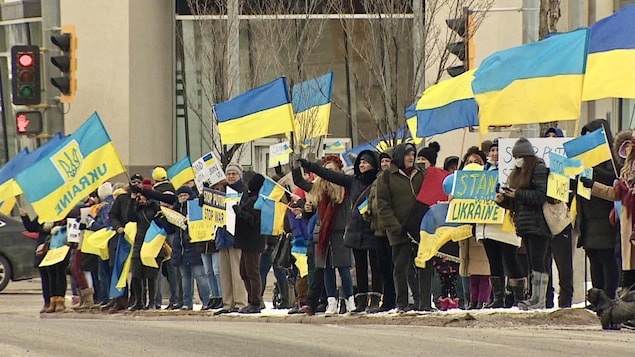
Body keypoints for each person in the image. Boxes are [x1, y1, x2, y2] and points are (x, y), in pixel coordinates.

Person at [298, 150, 380, 313]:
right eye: (361, 162)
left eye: (366, 162)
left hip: (353, 230)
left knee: (348, 268)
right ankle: (336, 301)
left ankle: (356, 299)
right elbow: (307, 183)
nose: (362, 164)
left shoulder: (348, 188)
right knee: (330, 268)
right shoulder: (351, 181)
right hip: (334, 233)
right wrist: (309, 166)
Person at [295, 155, 356, 316]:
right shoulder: (318, 189)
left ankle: (350, 300)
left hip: (339, 233)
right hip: (322, 235)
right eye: (325, 170)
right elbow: (300, 183)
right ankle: (332, 302)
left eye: (331, 170)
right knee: (327, 269)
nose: (327, 174)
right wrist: (296, 167)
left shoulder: (344, 187)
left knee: (343, 268)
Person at [495, 137, 551, 310]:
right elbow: (517, 202)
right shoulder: (518, 173)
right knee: (531, 262)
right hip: (525, 224)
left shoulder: (539, 169)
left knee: (538, 261)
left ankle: (539, 299)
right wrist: (503, 200)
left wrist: (517, 194)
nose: (516, 161)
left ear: (525, 156)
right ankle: (533, 297)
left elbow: (540, 195)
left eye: (518, 156)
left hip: (539, 223)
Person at [376, 143, 433, 313]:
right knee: (400, 267)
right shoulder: (386, 177)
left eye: (413, 154)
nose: (411, 157)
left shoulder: (421, 173)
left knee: (425, 265)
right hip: (399, 230)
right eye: (408, 154)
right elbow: (383, 206)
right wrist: (395, 226)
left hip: (421, 228)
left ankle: (425, 302)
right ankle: (402, 303)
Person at [477, 139, 526, 308]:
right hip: (487, 222)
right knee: (494, 260)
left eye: (498, 150)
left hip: (505, 222)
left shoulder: (512, 172)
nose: (495, 153)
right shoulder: (482, 171)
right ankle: (498, 297)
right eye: (492, 150)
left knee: (511, 259)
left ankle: (519, 297)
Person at [542, 126, 575, 308]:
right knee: (543, 264)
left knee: (564, 265)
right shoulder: (538, 166)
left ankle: (565, 301)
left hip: (561, 220)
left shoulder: (567, 165)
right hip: (542, 222)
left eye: (555, 137)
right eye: (548, 137)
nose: (551, 139)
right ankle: (547, 300)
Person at [214, 164, 249, 315]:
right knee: (225, 272)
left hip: (236, 235)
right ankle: (228, 302)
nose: (231, 176)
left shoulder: (243, 191)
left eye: (234, 174)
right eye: (229, 174)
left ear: (239, 175)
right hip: (223, 235)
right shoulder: (222, 191)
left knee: (237, 271)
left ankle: (241, 301)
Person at [365, 150, 396, 312]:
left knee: (394, 268)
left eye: (388, 161)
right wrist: (368, 211)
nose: (385, 164)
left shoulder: (395, 178)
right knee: (383, 268)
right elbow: (372, 200)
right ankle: (387, 301)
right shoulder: (377, 179)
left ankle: (396, 299)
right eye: (383, 161)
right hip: (377, 230)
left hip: (391, 230)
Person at [172, 185, 210, 310]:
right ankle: (187, 303)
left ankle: (207, 301)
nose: (183, 198)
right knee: (185, 279)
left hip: (194, 249)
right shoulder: (175, 212)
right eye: (180, 196)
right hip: (180, 249)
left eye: (185, 195)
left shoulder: (196, 209)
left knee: (200, 277)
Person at [233, 173, 265, 313]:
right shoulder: (248, 197)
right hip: (244, 239)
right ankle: (251, 299)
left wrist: (240, 212)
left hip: (253, 240)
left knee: (252, 272)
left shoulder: (259, 201)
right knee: (244, 272)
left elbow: (254, 221)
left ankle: (256, 302)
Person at [20, 209, 51, 313]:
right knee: (44, 276)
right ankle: (47, 302)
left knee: (54, 276)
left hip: (54, 247)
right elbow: (32, 228)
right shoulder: (43, 214)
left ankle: (56, 301)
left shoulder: (59, 214)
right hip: (42, 249)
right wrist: (24, 216)